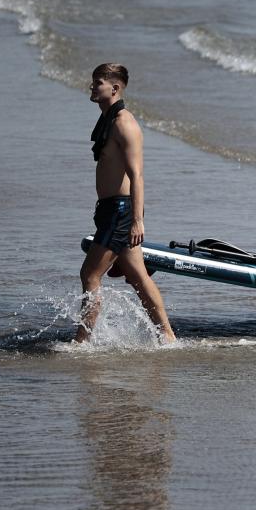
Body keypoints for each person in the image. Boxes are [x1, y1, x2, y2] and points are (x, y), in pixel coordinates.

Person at [75, 63, 175, 343]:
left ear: (114, 88)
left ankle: (81, 341)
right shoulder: (107, 117)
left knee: (90, 274)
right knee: (138, 277)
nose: (92, 87)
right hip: (110, 210)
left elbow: (137, 175)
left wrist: (137, 220)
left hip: (120, 211)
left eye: (98, 83)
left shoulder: (124, 123)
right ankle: (167, 336)